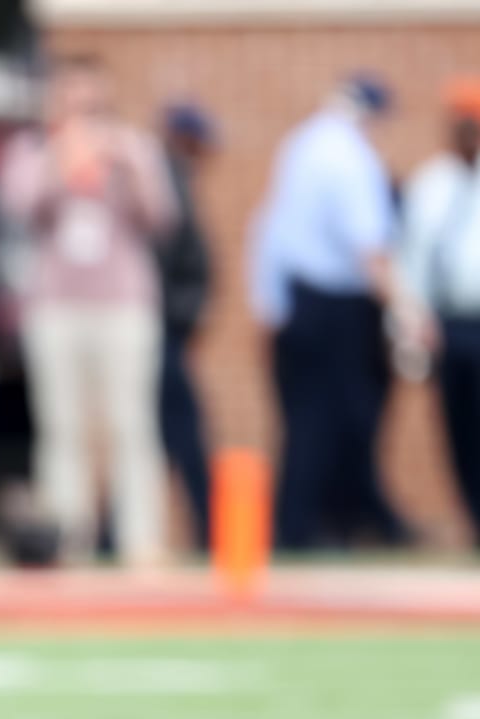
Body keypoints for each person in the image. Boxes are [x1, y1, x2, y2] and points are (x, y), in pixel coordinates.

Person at [0, 55, 176, 567]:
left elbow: (162, 216)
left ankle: (142, 544)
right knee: (62, 428)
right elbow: (18, 206)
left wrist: (123, 162)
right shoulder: (34, 150)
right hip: (56, 307)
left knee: (130, 424)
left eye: (91, 99)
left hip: (124, 306)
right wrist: (63, 159)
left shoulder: (134, 147)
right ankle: (67, 543)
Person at [249, 74, 411, 551]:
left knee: (306, 418)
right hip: (335, 305)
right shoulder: (348, 157)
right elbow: (369, 247)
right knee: (334, 419)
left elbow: (268, 232)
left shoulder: (299, 145)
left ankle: (315, 521)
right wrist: (406, 309)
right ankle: (309, 526)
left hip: (299, 302)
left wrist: (270, 304)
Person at [399, 78, 480, 546]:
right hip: (448, 324)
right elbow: (412, 260)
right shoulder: (431, 185)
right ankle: (474, 520)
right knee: (458, 428)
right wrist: (413, 322)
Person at [155, 102, 217, 552]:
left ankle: (207, 529)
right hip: (160, 331)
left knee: (168, 433)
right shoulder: (166, 180)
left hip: (166, 329)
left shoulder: (175, 179)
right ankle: (209, 530)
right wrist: (181, 314)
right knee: (179, 432)